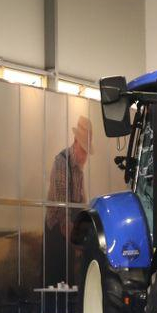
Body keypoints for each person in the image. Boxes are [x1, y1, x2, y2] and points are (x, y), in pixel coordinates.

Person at [44, 114, 92, 287]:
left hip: (70, 232)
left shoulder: (79, 170)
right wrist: (78, 243)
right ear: (75, 142)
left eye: (87, 152)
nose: (85, 156)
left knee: (70, 281)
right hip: (57, 231)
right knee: (55, 280)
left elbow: (82, 203)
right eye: (83, 150)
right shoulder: (61, 163)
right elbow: (62, 210)